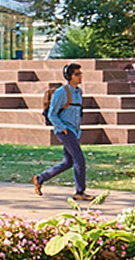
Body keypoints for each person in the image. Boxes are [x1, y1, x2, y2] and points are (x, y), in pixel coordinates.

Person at [34, 63, 93, 201]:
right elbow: (52, 114)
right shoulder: (61, 92)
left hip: (75, 131)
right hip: (65, 130)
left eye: (80, 73)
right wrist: (62, 128)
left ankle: (40, 178)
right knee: (79, 158)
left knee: (68, 162)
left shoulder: (78, 92)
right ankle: (80, 191)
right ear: (69, 76)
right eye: (76, 74)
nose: (80, 77)